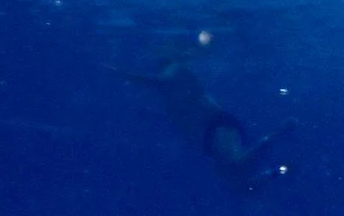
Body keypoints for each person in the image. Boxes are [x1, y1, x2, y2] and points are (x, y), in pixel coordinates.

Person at [111, 54, 294, 190]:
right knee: (235, 176)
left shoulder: (174, 80)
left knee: (235, 171)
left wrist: (118, 73)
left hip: (217, 125)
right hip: (214, 128)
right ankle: (275, 165)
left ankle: (278, 150)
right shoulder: (176, 91)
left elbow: (156, 84)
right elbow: (177, 112)